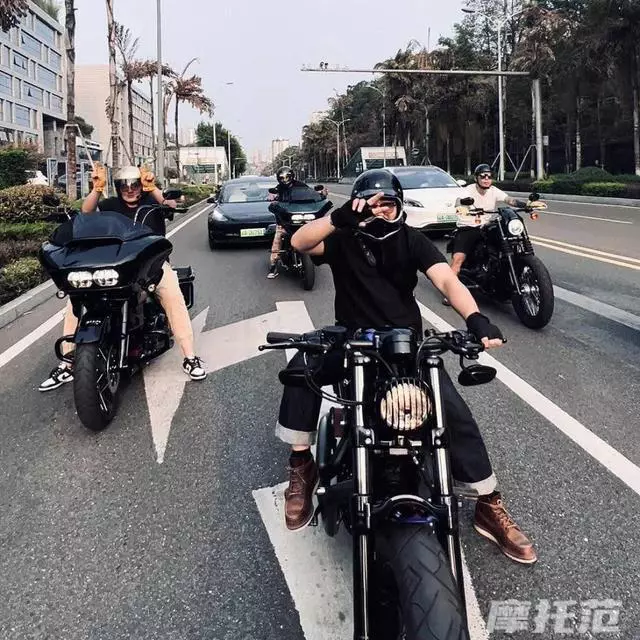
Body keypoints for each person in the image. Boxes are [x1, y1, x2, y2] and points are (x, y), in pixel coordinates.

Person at [274, 168, 537, 565]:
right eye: (371, 205)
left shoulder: (411, 239)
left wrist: (476, 319)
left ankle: (487, 502)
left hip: (405, 345)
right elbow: (299, 242)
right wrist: (337, 219)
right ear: (358, 206)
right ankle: (301, 464)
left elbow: (447, 281)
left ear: (399, 206)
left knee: (452, 412)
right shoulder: (343, 237)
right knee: (302, 366)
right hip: (353, 338)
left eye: (388, 204)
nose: (380, 211)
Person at [39, 165, 207, 392]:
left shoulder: (151, 202)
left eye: (134, 184)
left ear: (141, 185)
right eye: (124, 185)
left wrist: (153, 188)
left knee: (172, 295)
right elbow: (86, 214)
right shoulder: (110, 205)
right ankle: (67, 364)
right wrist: (97, 189)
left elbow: (170, 205)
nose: (130, 189)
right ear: (118, 187)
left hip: (152, 264)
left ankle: (190, 357)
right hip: (116, 265)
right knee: (74, 300)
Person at [443, 164, 530, 305]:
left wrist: (525, 205)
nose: (486, 179)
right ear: (476, 178)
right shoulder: (468, 190)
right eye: (483, 176)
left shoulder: (494, 190)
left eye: (489, 176)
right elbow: (459, 202)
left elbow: (509, 200)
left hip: (486, 226)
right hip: (468, 227)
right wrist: (462, 208)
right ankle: (449, 293)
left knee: (507, 240)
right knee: (458, 259)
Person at [266, 166, 328, 279]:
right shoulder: (278, 188)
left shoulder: (301, 185)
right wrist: (271, 197)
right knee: (278, 238)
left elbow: (311, 193)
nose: (285, 180)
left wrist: (320, 194)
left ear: (292, 176)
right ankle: (273, 266)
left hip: (301, 217)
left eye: (287, 177)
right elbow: (272, 196)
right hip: (285, 221)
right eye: (282, 178)